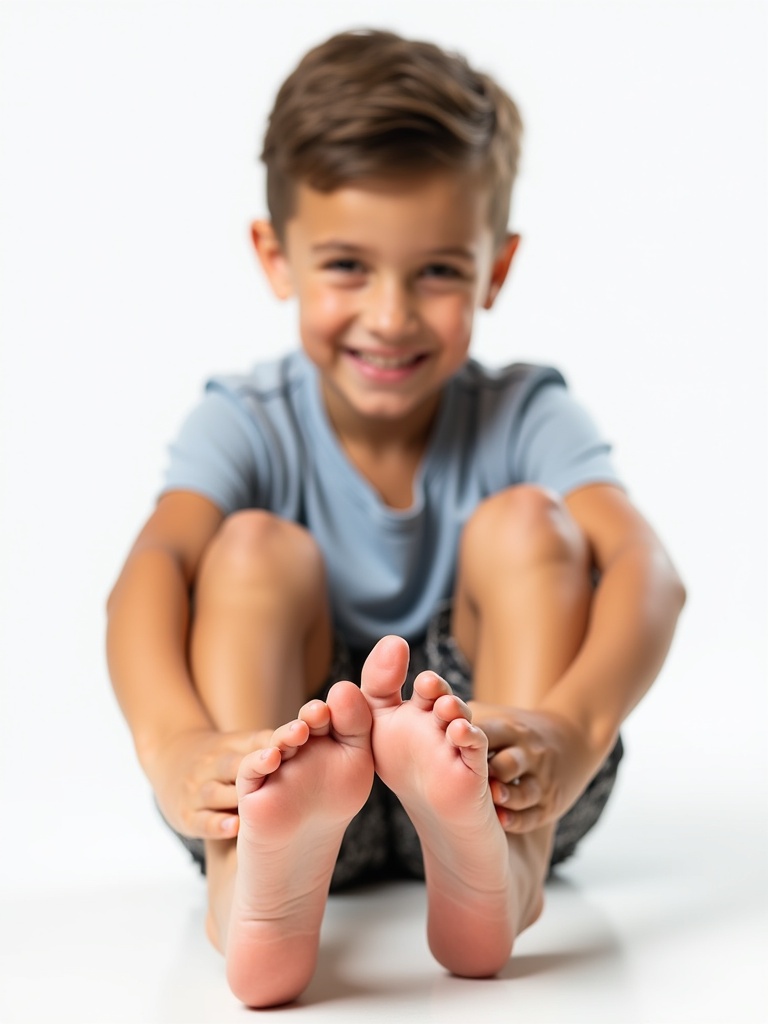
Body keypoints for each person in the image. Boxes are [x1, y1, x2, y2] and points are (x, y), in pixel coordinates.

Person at [106, 28, 685, 1008]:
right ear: (274, 254)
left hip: (501, 762)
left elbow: (648, 569)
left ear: (495, 269)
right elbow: (149, 571)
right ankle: (247, 882)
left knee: (532, 527)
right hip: (283, 755)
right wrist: (178, 751)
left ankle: (511, 866)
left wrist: (565, 730)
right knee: (244, 548)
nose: (390, 315)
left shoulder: (525, 412)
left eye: (437, 273)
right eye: (347, 266)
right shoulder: (245, 419)